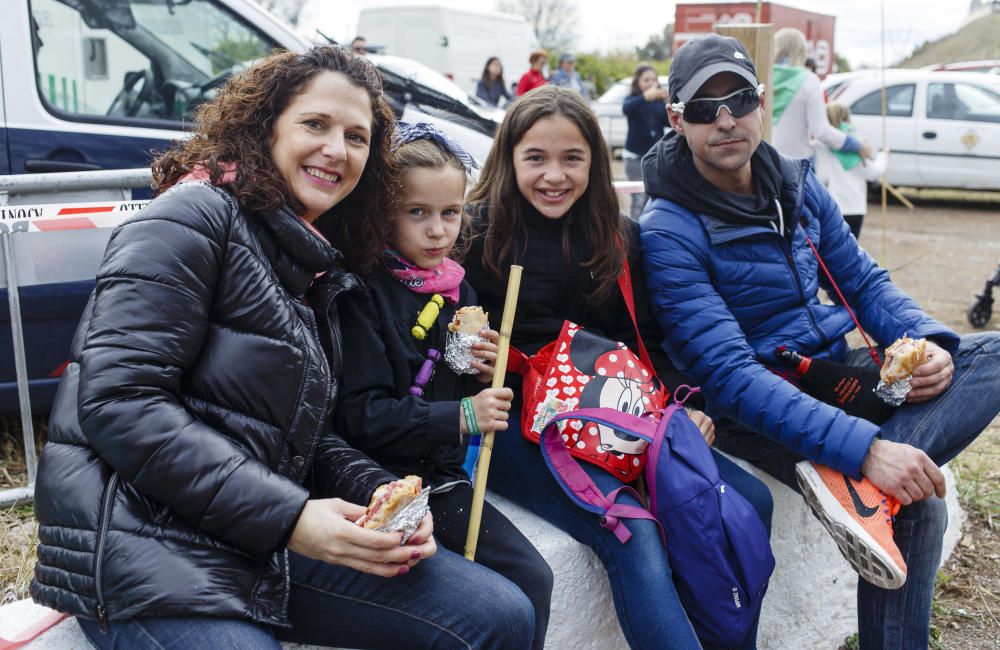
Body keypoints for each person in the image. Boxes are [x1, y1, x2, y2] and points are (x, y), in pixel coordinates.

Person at [29, 46, 535, 649]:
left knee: (499, 613)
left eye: (357, 136)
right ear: (264, 125)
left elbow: (310, 431)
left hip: (258, 536)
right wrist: (291, 519)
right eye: (315, 124)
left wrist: (386, 495)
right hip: (145, 548)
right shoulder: (188, 217)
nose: (336, 149)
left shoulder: (314, 256)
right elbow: (120, 403)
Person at [639, 33, 1000, 649]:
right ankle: (866, 476)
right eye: (703, 107)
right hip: (758, 403)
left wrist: (926, 339)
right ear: (676, 119)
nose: (725, 120)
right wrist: (865, 450)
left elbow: (864, 282)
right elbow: (728, 375)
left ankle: (863, 486)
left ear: (762, 105)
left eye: (739, 100)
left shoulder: (797, 186)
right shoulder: (667, 229)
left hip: (837, 371)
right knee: (919, 503)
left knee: (987, 355)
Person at [464, 84, 774, 650]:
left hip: (615, 411)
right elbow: (432, 333)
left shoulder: (615, 235)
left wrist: (688, 407)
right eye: (535, 157)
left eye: (571, 158)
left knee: (749, 503)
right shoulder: (472, 235)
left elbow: (646, 339)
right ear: (508, 159)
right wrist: (469, 353)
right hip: (515, 425)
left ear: (595, 163)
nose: (553, 175)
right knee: (632, 532)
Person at [334, 122, 554, 650]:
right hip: (379, 483)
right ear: (383, 214)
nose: (438, 231)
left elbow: (448, 378)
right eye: (418, 213)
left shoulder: (459, 290)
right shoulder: (362, 294)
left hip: (444, 476)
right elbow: (357, 416)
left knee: (534, 578)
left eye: (450, 213)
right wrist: (461, 415)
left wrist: (484, 367)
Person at [771, 27, 871, 162]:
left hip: (764, 162)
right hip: (796, 164)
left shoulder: (761, 77)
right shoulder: (808, 81)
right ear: (801, 52)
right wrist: (856, 145)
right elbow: (820, 131)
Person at [813, 103, 889, 238]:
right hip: (855, 207)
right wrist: (884, 156)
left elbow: (821, 176)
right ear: (847, 118)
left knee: (830, 252)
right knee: (851, 253)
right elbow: (873, 173)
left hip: (832, 208)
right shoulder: (858, 146)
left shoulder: (820, 146)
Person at [622, 64, 669, 220]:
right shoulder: (632, 100)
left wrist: (670, 104)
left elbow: (668, 122)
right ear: (637, 82)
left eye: (653, 79)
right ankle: (634, 236)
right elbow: (626, 109)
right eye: (646, 80)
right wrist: (645, 97)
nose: (650, 83)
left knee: (654, 198)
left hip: (655, 158)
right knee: (639, 199)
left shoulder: (658, 102)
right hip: (634, 158)